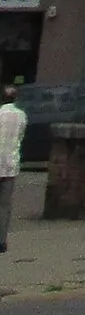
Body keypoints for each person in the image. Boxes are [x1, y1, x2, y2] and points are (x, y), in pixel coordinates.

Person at [0, 80, 25, 252]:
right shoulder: (22, 115)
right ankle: (2, 240)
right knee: (5, 205)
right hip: (10, 162)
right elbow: (20, 136)